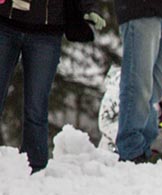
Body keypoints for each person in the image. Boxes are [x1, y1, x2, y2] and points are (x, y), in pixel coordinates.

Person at [0, 0, 105, 172]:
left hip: (46, 32)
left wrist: (89, 8)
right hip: (5, 23)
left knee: (36, 106)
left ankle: (34, 168)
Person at [114, 0, 162, 163]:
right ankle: (131, 148)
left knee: (156, 89)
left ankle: (147, 144)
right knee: (138, 85)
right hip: (141, 10)